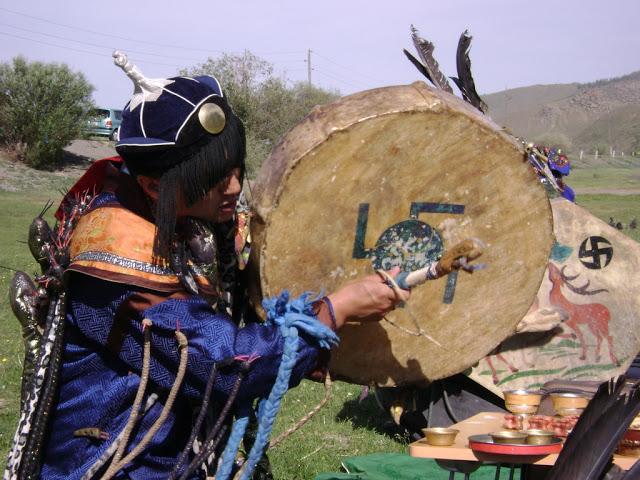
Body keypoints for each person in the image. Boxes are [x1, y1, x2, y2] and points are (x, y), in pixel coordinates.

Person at [7, 53, 478, 480]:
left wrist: (334, 310)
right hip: (116, 466)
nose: (232, 188)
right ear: (154, 186)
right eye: (214, 178)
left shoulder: (191, 222)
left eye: (236, 169)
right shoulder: (115, 256)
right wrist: (335, 309)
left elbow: (238, 319)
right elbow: (224, 364)